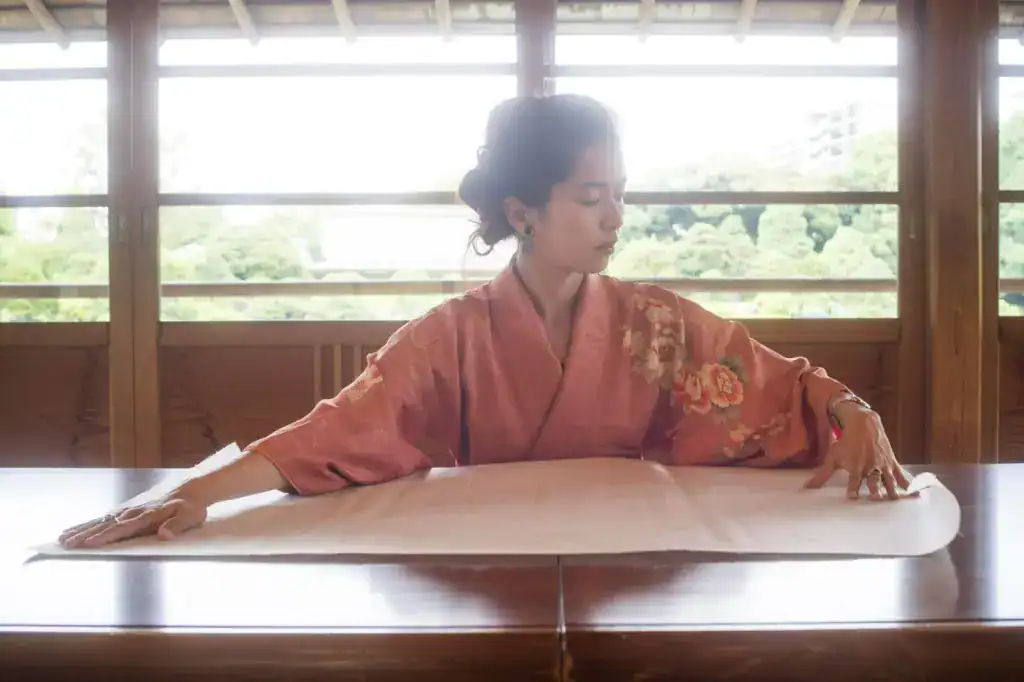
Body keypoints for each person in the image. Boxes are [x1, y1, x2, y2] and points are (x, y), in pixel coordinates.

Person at [59, 94, 914, 550]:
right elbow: (335, 433)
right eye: (591, 196)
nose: (615, 216)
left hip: (634, 554)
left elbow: (774, 382)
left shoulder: (655, 321)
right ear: (523, 211)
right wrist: (193, 495)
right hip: (488, 557)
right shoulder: (450, 336)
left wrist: (851, 408)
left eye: (620, 194)